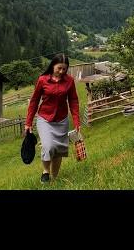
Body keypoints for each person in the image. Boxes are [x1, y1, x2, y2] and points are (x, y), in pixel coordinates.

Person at [25, 53, 80, 183]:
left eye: (64, 69)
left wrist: (77, 121)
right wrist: (28, 122)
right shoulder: (42, 80)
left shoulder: (69, 81)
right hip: (45, 119)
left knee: (59, 150)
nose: (61, 71)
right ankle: (46, 171)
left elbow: (73, 101)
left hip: (62, 120)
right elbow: (34, 101)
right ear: (53, 66)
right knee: (48, 146)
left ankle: (55, 179)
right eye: (59, 68)